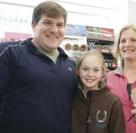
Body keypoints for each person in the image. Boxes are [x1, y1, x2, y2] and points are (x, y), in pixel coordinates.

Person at [0, 1, 78, 133]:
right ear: (33, 25)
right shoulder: (12, 54)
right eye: (47, 23)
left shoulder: (71, 65)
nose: (54, 30)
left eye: (60, 25)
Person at [71, 50, 125, 133]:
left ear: (102, 73)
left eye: (96, 70)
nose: (90, 74)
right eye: (85, 69)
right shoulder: (72, 98)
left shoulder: (113, 102)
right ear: (78, 71)